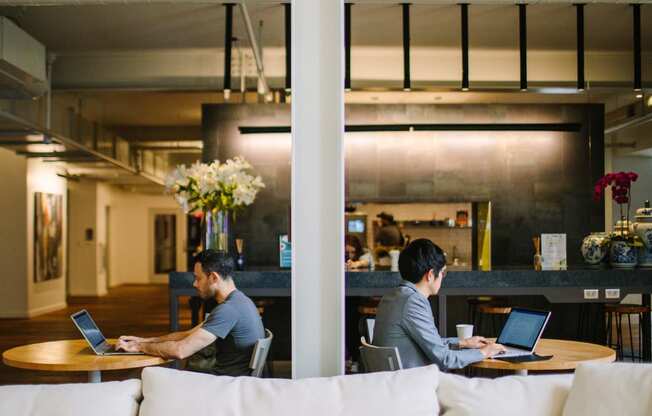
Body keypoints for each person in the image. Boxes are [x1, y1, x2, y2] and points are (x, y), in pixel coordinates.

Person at [116, 250, 265, 376]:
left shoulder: (229, 310)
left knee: (147, 376)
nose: (194, 284)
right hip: (226, 380)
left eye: (198, 278)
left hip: (222, 385)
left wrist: (139, 348)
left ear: (213, 277)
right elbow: (187, 334)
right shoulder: (239, 301)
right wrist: (146, 341)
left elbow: (180, 351)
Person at [373, 239, 506, 370]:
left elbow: (430, 344)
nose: (443, 277)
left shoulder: (394, 296)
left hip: (393, 382)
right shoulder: (413, 302)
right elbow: (445, 359)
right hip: (411, 384)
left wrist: (463, 343)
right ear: (430, 275)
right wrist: (485, 352)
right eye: (443, 272)